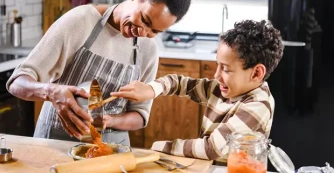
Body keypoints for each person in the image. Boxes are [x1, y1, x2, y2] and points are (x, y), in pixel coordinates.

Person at [6, 0, 204, 146]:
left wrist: (108, 121)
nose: (144, 32)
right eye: (144, 20)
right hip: (56, 143)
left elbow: (140, 115)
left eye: (155, 31)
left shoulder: (148, 50)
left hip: (112, 149)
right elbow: (17, 82)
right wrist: (51, 92)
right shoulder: (81, 21)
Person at [111, 20, 284, 160]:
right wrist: (151, 90)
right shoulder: (222, 89)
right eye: (218, 65)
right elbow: (178, 82)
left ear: (256, 73)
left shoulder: (258, 105)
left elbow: (211, 148)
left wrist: (160, 147)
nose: (217, 75)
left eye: (226, 69)